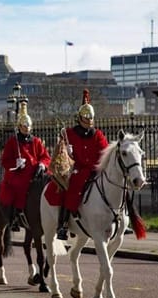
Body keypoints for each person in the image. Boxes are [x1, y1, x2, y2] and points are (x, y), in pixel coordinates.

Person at [57, 89, 109, 240]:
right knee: (72, 188)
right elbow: (61, 154)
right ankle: (64, 224)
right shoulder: (70, 134)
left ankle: (120, 218)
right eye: (86, 117)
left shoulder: (98, 135)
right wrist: (67, 150)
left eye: (90, 117)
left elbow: (105, 152)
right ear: (79, 118)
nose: (88, 120)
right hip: (78, 169)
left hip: (96, 169)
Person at [0, 101, 51, 229]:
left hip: (35, 172)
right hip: (19, 173)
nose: (27, 129)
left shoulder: (36, 141)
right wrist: (15, 163)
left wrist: (42, 165)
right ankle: (15, 215)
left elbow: (45, 157)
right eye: (24, 126)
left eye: (28, 127)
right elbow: (5, 161)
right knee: (18, 187)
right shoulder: (13, 142)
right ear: (20, 127)